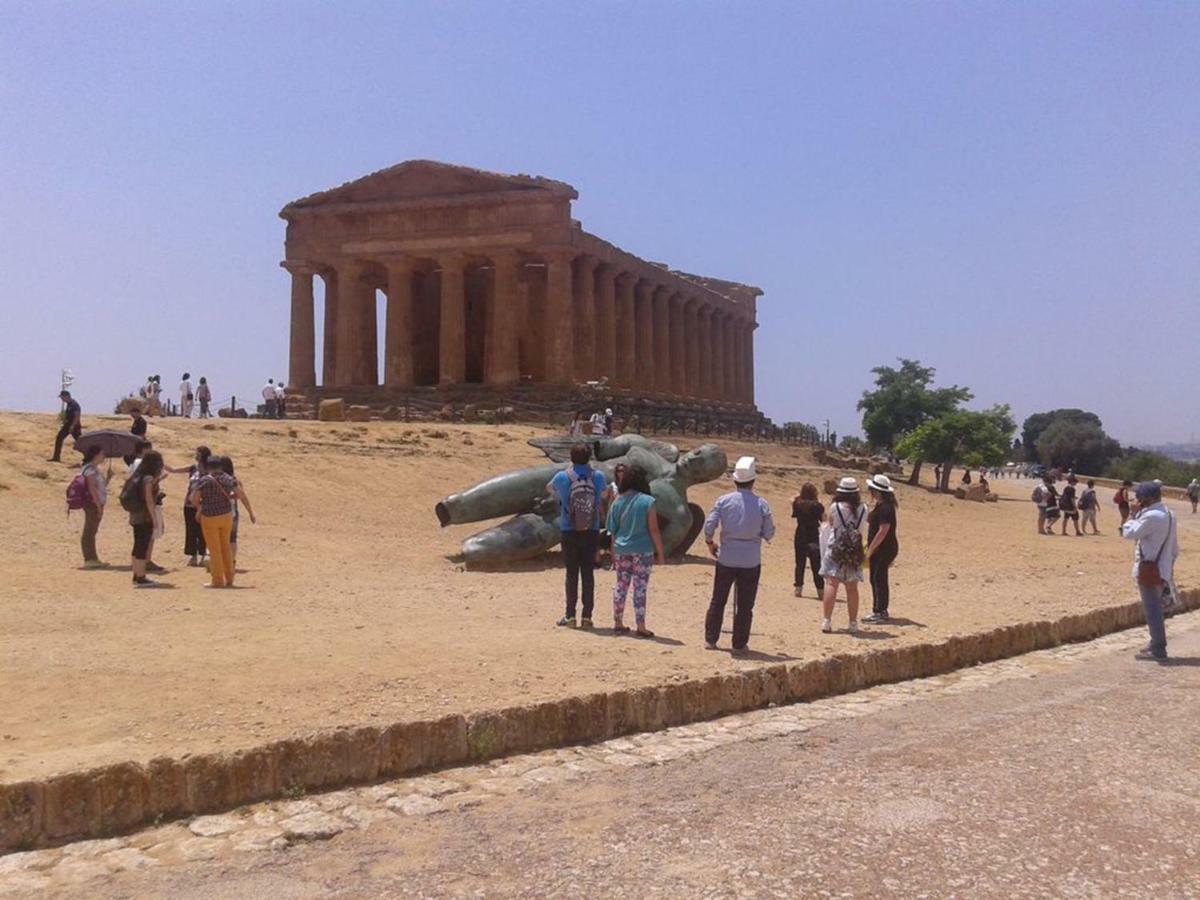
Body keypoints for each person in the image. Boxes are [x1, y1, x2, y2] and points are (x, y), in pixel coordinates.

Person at [703, 456, 775, 654]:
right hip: (751, 560)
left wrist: (710, 542)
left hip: (726, 556)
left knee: (718, 599)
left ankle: (711, 639)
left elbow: (709, 525)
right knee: (745, 605)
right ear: (753, 480)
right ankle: (739, 644)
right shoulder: (762, 504)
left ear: (735, 480)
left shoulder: (723, 501)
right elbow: (769, 532)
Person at [546, 443, 607, 628]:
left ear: (571, 457)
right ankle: (587, 617)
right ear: (589, 457)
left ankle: (570, 616)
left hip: (569, 528)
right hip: (592, 528)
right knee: (588, 573)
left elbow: (548, 488)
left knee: (571, 573)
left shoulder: (563, 476)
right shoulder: (598, 476)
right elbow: (604, 495)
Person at [1121, 481, 1178, 661]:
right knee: (1156, 609)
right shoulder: (1169, 514)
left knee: (1152, 609)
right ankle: (1156, 645)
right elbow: (1175, 549)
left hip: (1149, 569)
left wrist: (1131, 514)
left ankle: (1158, 648)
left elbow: (1128, 533)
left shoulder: (1151, 516)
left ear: (1146, 498)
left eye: (1139, 497)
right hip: (1163, 568)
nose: (1136, 499)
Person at [607, 465, 665, 637]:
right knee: (640, 588)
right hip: (642, 549)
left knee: (621, 586)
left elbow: (612, 531)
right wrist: (660, 553)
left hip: (621, 548)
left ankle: (618, 622)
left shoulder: (617, 501)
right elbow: (654, 529)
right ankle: (641, 626)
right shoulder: (647, 501)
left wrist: (613, 552)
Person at [820, 477, 867, 633]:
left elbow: (832, 524)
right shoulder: (864, 508)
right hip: (854, 549)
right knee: (852, 588)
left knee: (831, 583)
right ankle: (853, 623)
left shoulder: (835, 507)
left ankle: (826, 621)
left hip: (836, 547)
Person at [190, 454, 239, 588]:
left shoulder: (204, 480)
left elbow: (194, 499)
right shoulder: (228, 478)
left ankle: (217, 580)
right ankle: (229, 578)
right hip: (226, 515)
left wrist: (200, 507)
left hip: (210, 516)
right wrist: (228, 496)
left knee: (214, 549)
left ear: (208, 467)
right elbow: (238, 494)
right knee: (226, 547)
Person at [124, 450, 165, 587]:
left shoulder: (137, 475)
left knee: (137, 545)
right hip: (144, 516)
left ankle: (136, 574)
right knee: (143, 545)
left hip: (135, 514)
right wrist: (154, 518)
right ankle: (141, 577)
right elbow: (149, 500)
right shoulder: (148, 479)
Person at [863, 474, 899, 624]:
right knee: (876, 578)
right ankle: (878, 609)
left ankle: (880, 611)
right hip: (882, 548)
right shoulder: (882, 505)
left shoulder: (885, 508)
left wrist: (871, 549)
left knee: (879, 578)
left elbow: (883, 530)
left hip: (884, 548)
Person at [168, 447, 210, 567]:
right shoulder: (193, 468)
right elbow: (173, 470)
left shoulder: (209, 470)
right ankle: (193, 556)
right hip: (189, 504)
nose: (195, 455)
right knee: (190, 530)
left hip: (203, 504)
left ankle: (203, 555)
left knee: (203, 530)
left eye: (198, 453)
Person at [218, 456, 256, 567]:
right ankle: (232, 561)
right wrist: (250, 513)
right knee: (233, 538)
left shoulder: (217, 479)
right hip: (233, 512)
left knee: (221, 537)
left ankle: (221, 561)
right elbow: (243, 498)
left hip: (219, 512)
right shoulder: (235, 480)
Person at [791, 482, 825, 598]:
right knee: (816, 564)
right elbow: (823, 519)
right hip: (813, 535)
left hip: (800, 533)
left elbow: (792, 500)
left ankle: (798, 589)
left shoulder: (797, 504)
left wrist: (797, 497)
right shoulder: (817, 506)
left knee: (800, 563)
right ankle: (820, 590)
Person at [79, 444, 109, 568]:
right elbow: (92, 489)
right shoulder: (89, 469)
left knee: (92, 530)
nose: (104, 456)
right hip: (92, 504)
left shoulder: (94, 469)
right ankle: (89, 559)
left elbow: (100, 487)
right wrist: (98, 505)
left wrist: (109, 478)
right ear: (96, 455)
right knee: (89, 530)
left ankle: (93, 558)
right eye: (102, 453)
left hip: (96, 503)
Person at [50, 390, 82, 462]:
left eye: (62, 397)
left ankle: (89, 458)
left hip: (74, 426)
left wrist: (72, 426)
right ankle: (56, 457)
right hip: (67, 425)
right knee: (59, 438)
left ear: (66, 396)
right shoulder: (69, 404)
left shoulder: (74, 404)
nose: (62, 399)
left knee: (80, 442)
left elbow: (77, 416)